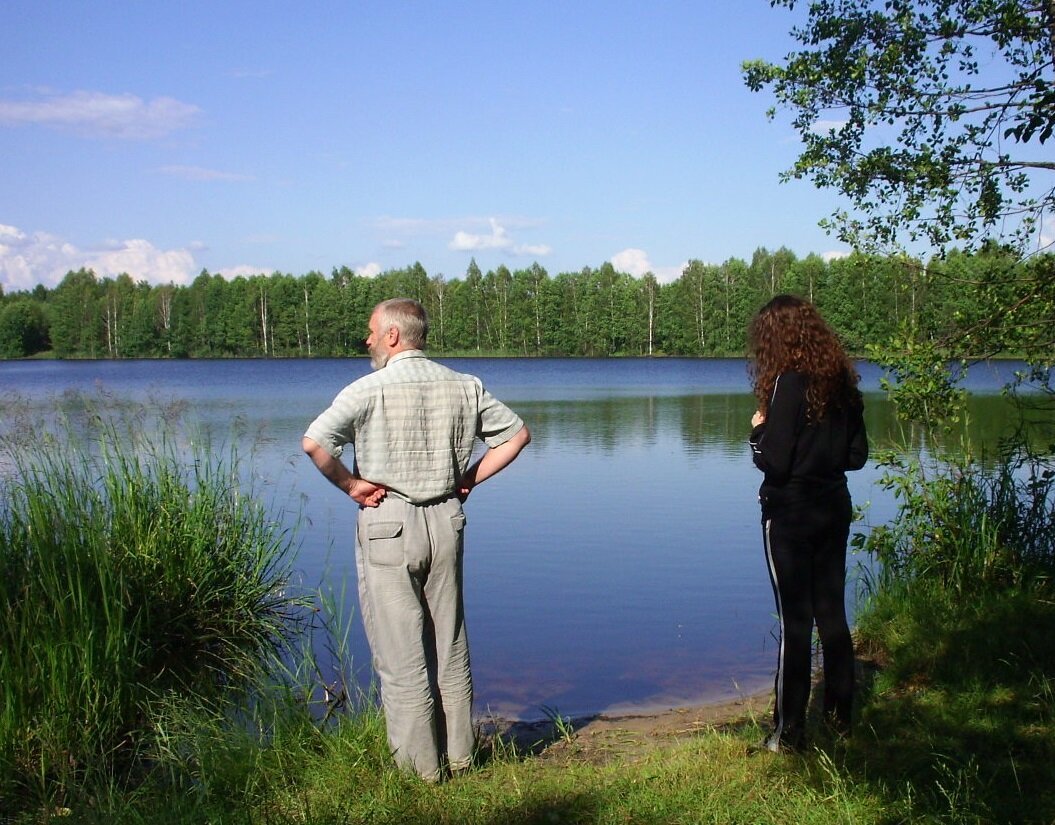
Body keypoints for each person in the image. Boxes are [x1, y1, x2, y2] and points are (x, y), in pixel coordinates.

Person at [302, 298, 530, 782]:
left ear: (392, 336)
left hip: (388, 524)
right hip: (447, 521)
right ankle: (461, 757)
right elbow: (516, 436)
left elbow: (314, 443)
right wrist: (468, 480)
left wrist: (351, 486)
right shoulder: (464, 386)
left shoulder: (367, 389)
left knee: (402, 651)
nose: (366, 340)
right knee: (448, 641)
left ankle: (419, 771)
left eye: (370, 331)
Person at [747, 294, 868, 753]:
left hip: (790, 514)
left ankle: (788, 735)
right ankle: (840, 723)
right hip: (833, 506)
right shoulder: (842, 384)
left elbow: (773, 462)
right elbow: (856, 457)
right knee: (832, 617)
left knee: (796, 624)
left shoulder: (788, 383)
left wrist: (758, 430)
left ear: (775, 339)